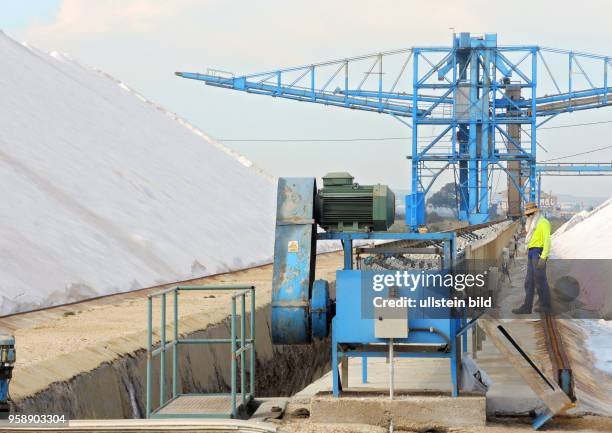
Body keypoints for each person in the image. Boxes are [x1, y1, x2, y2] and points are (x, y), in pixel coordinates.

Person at [512, 202, 552, 314]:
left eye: (530, 214)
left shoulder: (543, 223)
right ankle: (527, 307)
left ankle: (546, 305)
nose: (528, 216)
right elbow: (530, 239)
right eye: (527, 214)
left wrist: (543, 257)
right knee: (529, 281)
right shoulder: (531, 224)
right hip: (531, 252)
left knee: (540, 280)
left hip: (538, 252)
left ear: (535, 212)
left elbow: (547, 241)